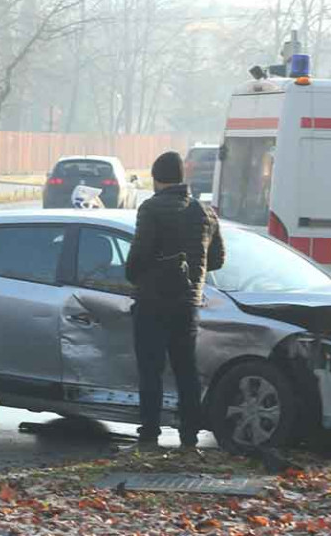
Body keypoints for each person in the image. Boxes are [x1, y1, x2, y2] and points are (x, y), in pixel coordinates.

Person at [125, 150, 225, 452]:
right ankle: (189, 437)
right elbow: (218, 259)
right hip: (187, 303)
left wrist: (136, 275)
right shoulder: (204, 212)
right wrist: (194, 272)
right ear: (183, 178)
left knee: (151, 369)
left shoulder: (151, 209)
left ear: (156, 178)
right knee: (186, 369)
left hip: (153, 302)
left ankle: (149, 435)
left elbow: (139, 254)